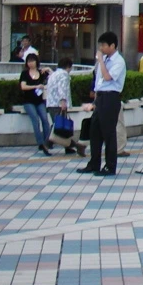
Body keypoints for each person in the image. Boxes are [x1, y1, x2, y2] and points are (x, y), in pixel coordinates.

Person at [77, 31, 127, 176]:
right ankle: (94, 163)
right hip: (100, 98)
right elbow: (98, 82)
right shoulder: (104, 60)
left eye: (104, 45)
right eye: (101, 45)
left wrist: (100, 60)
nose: (101, 48)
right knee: (95, 132)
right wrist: (94, 101)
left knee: (109, 133)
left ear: (113, 45)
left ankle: (110, 166)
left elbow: (107, 77)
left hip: (111, 98)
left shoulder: (118, 61)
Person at [45, 57, 86, 157]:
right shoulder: (64, 75)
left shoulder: (54, 74)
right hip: (58, 104)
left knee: (60, 125)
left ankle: (68, 147)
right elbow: (62, 88)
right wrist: (63, 101)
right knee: (59, 127)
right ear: (68, 66)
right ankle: (47, 144)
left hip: (51, 103)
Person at [19, 53, 52, 156]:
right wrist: (35, 86)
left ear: (36, 62)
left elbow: (54, 78)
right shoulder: (25, 73)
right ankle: (40, 143)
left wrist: (48, 69)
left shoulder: (41, 73)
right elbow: (23, 86)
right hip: (28, 101)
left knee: (45, 119)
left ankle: (48, 141)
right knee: (35, 119)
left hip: (40, 101)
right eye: (29, 61)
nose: (31, 63)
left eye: (32, 61)